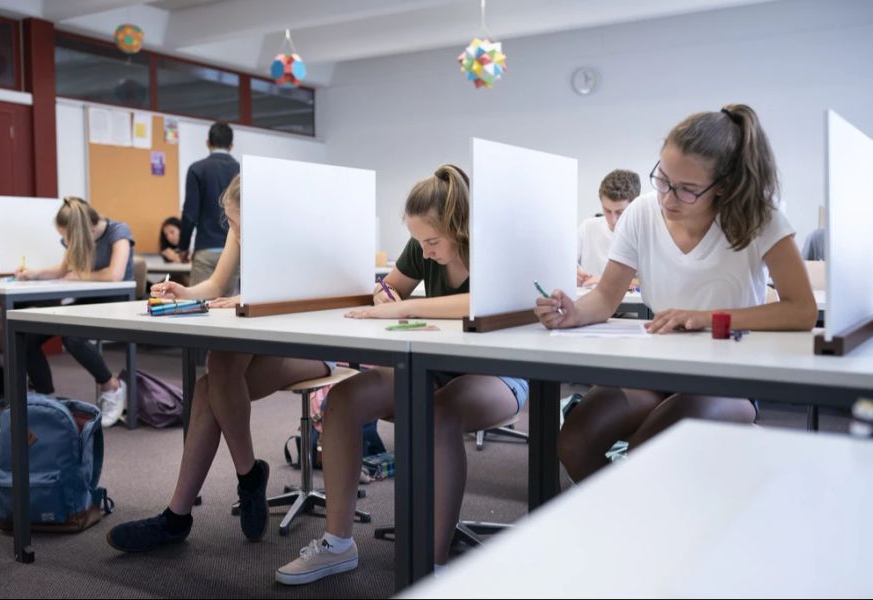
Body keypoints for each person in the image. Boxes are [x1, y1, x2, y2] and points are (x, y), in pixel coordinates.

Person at [536, 104, 817, 483]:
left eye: (687, 190)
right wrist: (573, 312)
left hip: (729, 378)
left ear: (725, 185)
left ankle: (637, 527)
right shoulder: (641, 213)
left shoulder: (759, 217)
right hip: (658, 368)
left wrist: (705, 318)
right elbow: (605, 298)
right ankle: (621, 521)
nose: (668, 198)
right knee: (574, 442)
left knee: (645, 455)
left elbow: (801, 311)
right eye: (663, 180)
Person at [276, 165, 529, 585]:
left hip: (500, 373)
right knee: (343, 401)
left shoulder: (493, 246)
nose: (424, 251)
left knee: (441, 414)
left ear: (460, 227)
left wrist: (405, 306)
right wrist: (386, 294)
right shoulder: (422, 248)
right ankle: (337, 544)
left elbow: (479, 302)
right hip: (433, 367)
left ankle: (432, 568)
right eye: (418, 241)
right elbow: (391, 290)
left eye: (432, 241)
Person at [106, 176, 335, 552]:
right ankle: (243, 479)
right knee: (212, 379)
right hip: (263, 334)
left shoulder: (297, 235)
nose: (235, 231)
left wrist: (250, 299)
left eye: (241, 225)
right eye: (230, 223)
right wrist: (185, 292)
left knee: (214, 380)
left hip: (311, 342)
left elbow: (312, 298)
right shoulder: (241, 230)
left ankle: (182, 516)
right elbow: (215, 285)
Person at [16, 197, 135, 425]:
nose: (66, 241)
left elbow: (114, 274)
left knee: (72, 336)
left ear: (84, 230)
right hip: (87, 301)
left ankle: (112, 386)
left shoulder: (119, 231)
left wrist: (80, 275)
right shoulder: (79, 239)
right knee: (27, 332)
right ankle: (46, 400)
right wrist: (34, 273)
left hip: (117, 302)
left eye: (68, 237)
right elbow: (63, 270)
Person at [180, 121, 240, 293]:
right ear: (231, 145)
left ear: (208, 143)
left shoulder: (196, 169)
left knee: (198, 308)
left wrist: (183, 247)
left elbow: (190, 213)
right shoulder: (241, 170)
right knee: (227, 309)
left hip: (206, 248)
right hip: (236, 251)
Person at [577, 169, 640, 286]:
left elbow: (654, 281)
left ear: (635, 206)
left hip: (633, 303)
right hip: (589, 300)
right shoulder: (587, 227)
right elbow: (563, 264)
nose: (613, 220)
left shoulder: (645, 234)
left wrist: (603, 281)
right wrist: (574, 273)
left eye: (620, 212)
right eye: (607, 210)